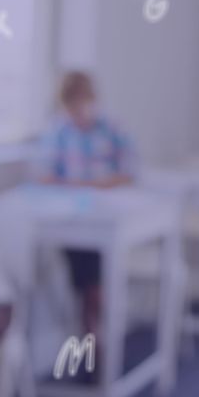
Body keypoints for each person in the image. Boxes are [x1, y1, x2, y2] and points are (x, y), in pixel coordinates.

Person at [37, 70, 137, 357]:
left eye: (82, 101)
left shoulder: (112, 129)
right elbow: (45, 175)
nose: (78, 110)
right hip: (73, 221)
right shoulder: (58, 132)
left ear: (92, 99)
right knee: (85, 279)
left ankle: (96, 335)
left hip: (109, 219)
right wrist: (76, 186)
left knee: (95, 281)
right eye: (71, 104)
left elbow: (129, 172)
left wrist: (94, 185)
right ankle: (92, 336)